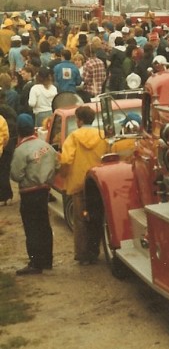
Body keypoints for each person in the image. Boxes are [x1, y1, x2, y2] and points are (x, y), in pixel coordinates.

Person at [59, 106, 109, 265]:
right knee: (97, 217)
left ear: (79, 120)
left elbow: (66, 160)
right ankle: (96, 251)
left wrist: (63, 174)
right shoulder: (102, 136)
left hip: (78, 183)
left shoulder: (73, 137)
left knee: (80, 221)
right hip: (98, 182)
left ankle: (83, 255)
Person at [10, 114, 58, 275]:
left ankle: (35, 263)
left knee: (32, 228)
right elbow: (57, 164)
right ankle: (47, 261)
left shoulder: (21, 150)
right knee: (44, 225)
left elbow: (16, 175)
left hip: (29, 193)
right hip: (44, 190)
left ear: (19, 131)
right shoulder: (46, 146)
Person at [0, 91, 17, 205]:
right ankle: (8, 195)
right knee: (5, 170)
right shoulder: (10, 110)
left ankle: (3, 196)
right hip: (10, 144)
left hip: (3, 144)